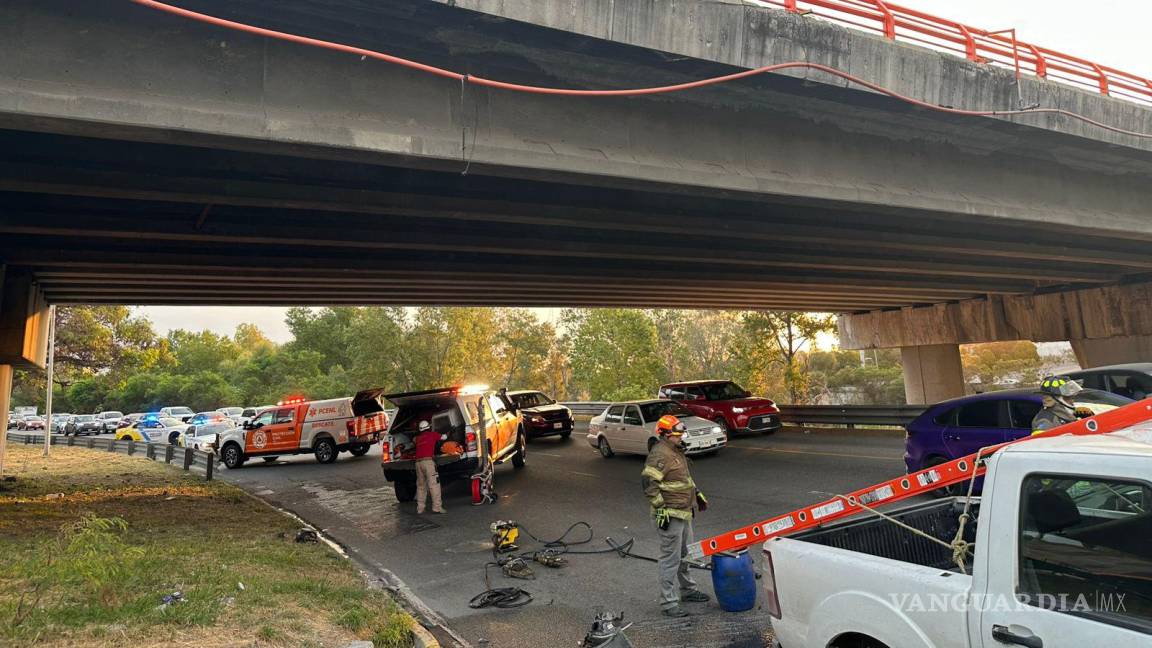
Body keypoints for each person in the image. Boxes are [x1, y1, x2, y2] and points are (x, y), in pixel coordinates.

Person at [641, 414, 711, 618]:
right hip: (669, 514)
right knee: (670, 560)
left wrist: (697, 493)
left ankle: (688, 590)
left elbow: (683, 477)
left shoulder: (676, 451)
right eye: (677, 434)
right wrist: (660, 509)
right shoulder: (660, 454)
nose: (681, 437)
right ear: (665, 434)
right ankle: (669, 603)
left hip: (684, 511)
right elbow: (648, 483)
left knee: (686, 554)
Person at [413, 420, 444, 514]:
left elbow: (414, 440)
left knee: (421, 486)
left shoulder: (417, 438)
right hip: (428, 463)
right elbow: (443, 437)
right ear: (429, 428)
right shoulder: (432, 434)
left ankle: (420, 509)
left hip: (418, 463)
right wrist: (447, 433)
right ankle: (437, 508)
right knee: (434, 485)